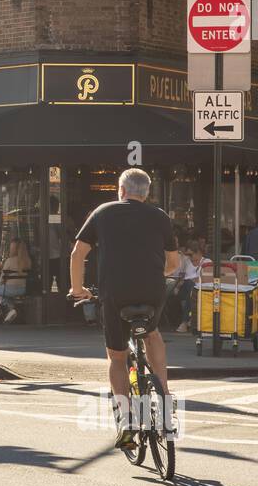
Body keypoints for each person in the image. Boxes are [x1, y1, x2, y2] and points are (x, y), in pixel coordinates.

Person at [69, 168, 181, 450]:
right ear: (146, 194)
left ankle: (127, 421)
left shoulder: (103, 212)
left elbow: (78, 253)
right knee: (153, 333)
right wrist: (159, 272)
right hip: (152, 291)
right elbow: (174, 264)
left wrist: (78, 289)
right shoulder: (160, 216)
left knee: (117, 358)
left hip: (115, 293)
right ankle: (165, 398)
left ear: (121, 190)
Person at [0, 238, 32, 325]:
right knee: (3, 295)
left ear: (13, 248)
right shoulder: (28, 261)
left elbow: (1, 280)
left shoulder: (9, 261)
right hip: (22, 290)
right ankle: (11, 310)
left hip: (8, 289)